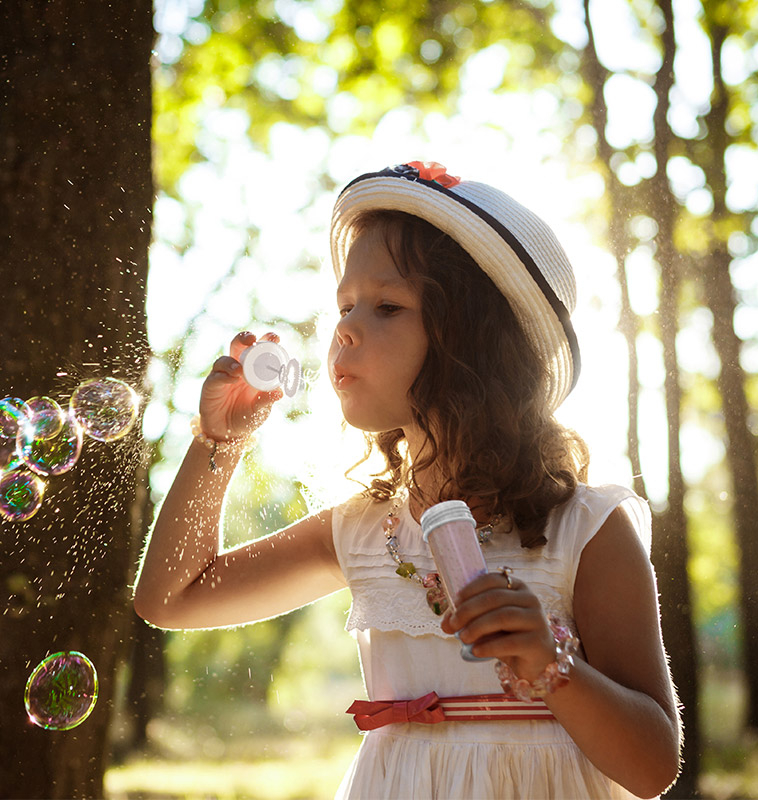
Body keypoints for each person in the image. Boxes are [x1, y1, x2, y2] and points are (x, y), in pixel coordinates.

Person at [134, 160, 681, 799]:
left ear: (473, 342)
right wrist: (219, 445)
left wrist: (550, 665)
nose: (343, 327)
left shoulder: (582, 528)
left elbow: (653, 767)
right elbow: (171, 598)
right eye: (345, 304)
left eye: (387, 305)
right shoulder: (365, 530)